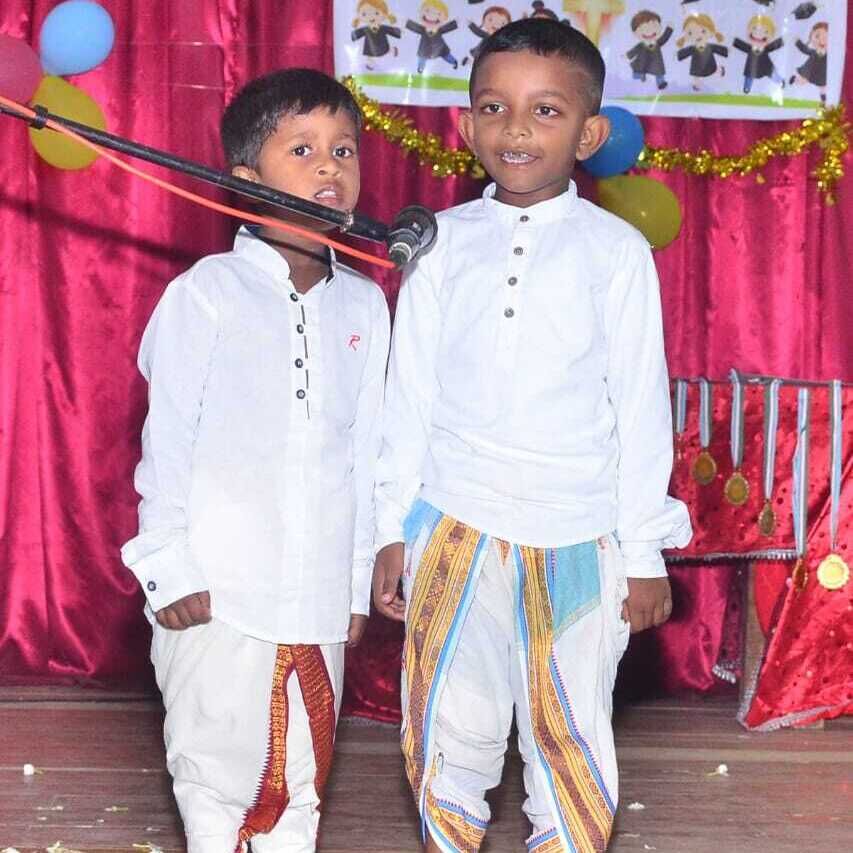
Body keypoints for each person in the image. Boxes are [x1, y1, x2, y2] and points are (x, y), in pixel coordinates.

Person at [373, 18, 691, 853]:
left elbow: (638, 407)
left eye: (544, 110)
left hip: (576, 534)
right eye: (494, 107)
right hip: (451, 521)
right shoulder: (439, 243)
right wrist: (388, 528)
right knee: (448, 725)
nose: (515, 129)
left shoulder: (614, 251)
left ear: (587, 135)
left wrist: (643, 551)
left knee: (567, 732)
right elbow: (407, 396)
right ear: (465, 123)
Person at [121, 68, 390, 853]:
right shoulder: (207, 291)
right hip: (216, 592)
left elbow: (365, 449)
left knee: (301, 781)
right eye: (301, 149)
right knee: (213, 781)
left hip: (316, 594)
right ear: (244, 180)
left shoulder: (365, 302)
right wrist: (167, 566)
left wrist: (353, 583)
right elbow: (166, 439)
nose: (329, 164)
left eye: (344, 149)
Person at [732, 14, 785, 95]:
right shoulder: (750, 48)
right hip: (751, 66)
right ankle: (747, 88)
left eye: (765, 32)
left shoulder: (765, 48)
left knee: (772, 74)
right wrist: (733, 41)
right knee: (749, 76)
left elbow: (773, 45)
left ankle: (780, 81)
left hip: (765, 65)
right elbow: (742, 45)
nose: (758, 34)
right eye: (754, 28)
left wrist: (782, 41)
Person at [675, 13, 727, 91]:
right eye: (690, 33)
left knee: (714, 71)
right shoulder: (692, 48)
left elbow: (718, 49)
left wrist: (726, 51)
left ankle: (720, 70)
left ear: (711, 32)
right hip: (697, 67)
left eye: (703, 31)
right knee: (696, 75)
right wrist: (678, 55)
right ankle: (696, 85)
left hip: (710, 64)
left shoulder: (709, 46)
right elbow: (685, 52)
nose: (697, 35)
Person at [626, 9, 673, 90]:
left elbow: (664, 37)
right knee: (639, 70)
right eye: (643, 28)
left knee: (659, 73)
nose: (649, 31)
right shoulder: (641, 45)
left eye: (654, 26)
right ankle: (640, 77)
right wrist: (628, 55)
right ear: (635, 32)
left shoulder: (657, 43)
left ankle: (661, 83)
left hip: (656, 62)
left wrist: (669, 29)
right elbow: (634, 50)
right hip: (643, 62)